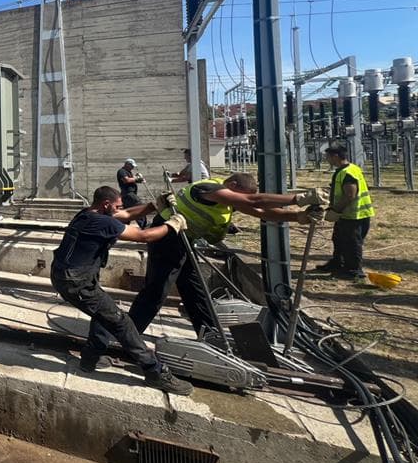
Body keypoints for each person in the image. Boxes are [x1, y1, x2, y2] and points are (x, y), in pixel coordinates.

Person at [90, 173, 326, 346]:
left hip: (182, 241)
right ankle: (127, 336)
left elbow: (261, 212)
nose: (240, 201)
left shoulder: (227, 201)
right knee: (156, 290)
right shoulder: (209, 188)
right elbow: (255, 202)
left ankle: (211, 337)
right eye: (239, 196)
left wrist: (299, 217)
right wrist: (298, 198)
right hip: (167, 237)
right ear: (232, 186)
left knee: (195, 290)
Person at [50, 186, 194, 395]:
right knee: (120, 322)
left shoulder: (87, 214)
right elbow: (144, 236)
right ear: (106, 204)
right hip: (76, 282)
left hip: (68, 276)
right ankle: (155, 372)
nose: (120, 209)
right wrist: (173, 225)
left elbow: (126, 214)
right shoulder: (102, 222)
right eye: (116, 206)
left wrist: (155, 205)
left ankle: (90, 358)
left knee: (103, 314)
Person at [313, 145, 375, 282]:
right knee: (338, 239)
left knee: (352, 243)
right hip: (346, 214)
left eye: (327, 156)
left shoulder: (348, 173)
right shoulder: (348, 169)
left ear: (335, 156)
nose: (326, 159)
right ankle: (337, 263)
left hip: (354, 215)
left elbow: (350, 195)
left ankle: (354, 271)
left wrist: (335, 210)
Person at [117, 158, 147, 228]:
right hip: (129, 194)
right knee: (139, 209)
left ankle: (122, 227)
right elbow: (126, 180)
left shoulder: (128, 172)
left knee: (127, 212)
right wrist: (137, 179)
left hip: (128, 195)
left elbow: (132, 179)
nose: (133, 167)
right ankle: (143, 226)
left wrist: (138, 178)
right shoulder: (122, 171)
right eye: (132, 166)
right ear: (127, 164)